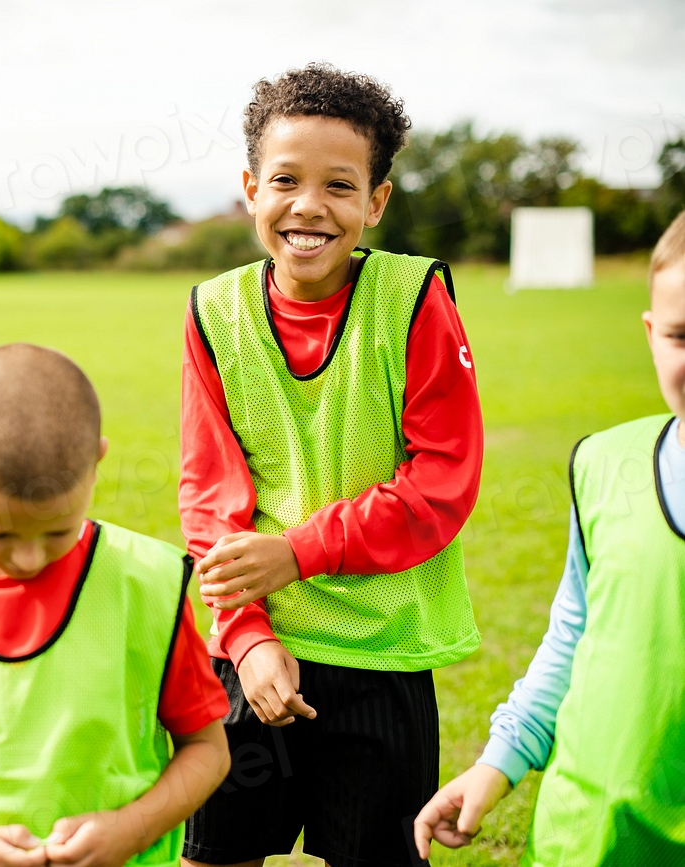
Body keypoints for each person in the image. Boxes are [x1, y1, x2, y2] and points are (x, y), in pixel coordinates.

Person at [178, 64, 484, 867]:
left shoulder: (413, 298)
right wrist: (244, 638)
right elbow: (210, 494)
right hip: (257, 649)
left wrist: (297, 551)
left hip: (379, 660)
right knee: (216, 854)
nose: (308, 206)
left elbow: (440, 484)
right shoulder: (215, 311)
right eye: (285, 179)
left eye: (339, 186)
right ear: (250, 188)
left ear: (375, 202)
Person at [0, 344, 232, 867]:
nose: (27, 557)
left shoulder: (146, 587)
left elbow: (208, 750)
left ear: (96, 465)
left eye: (56, 531)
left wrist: (129, 830)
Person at [414, 210, 685, 864]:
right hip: (588, 832)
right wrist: (497, 762)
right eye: (682, 335)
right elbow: (574, 633)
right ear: (650, 334)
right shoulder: (602, 463)